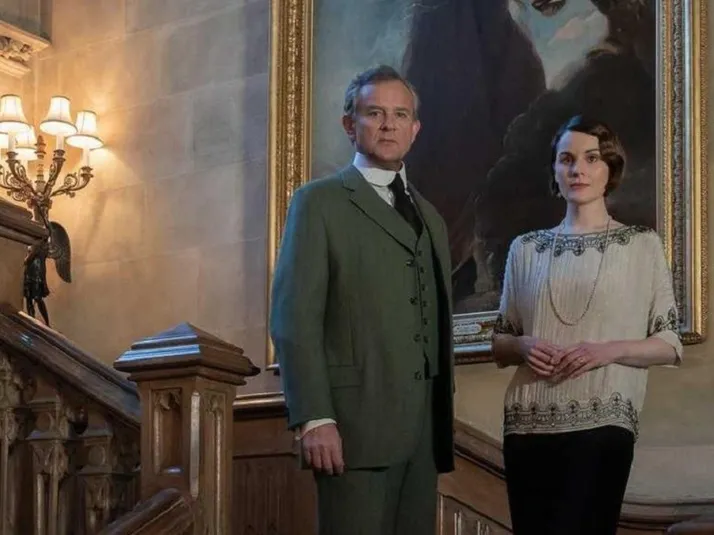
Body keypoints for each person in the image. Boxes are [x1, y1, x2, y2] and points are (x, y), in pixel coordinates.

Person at [270, 65, 454, 535]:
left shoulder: (432, 217)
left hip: (424, 435)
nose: (388, 124)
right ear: (350, 124)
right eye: (375, 113)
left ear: (415, 129)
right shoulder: (318, 203)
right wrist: (315, 418)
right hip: (352, 429)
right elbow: (294, 320)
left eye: (400, 114)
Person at [492, 115, 682, 535]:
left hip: (604, 422)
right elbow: (501, 343)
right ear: (555, 171)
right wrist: (523, 346)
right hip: (527, 424)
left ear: (610, 169)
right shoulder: (525, 248)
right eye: (567, 159)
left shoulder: (641, 244)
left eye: (591, 158)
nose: (577, 169)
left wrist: (606, 351)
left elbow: (669, 343)